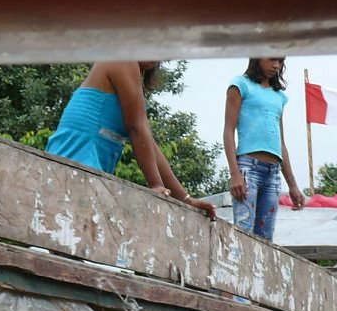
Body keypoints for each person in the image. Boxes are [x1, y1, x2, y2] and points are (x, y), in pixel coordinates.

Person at [46, 61, 216, 218]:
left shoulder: (133, 74)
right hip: (74, 162)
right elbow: (136, 128)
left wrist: (185, 198)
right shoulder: (123, 58)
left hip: (86, 172)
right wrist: (156, 185)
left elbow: (148, 143)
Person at [223, 57, 305, 239]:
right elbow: (228, 131)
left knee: (266, 238)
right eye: (272, 59)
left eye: (281, 61)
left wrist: (292, 185)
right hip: (248, 168)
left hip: (273, 173)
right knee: (244, 231)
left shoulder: (279, 97)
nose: (276, 65)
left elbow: (280, 142)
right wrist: (235, 174)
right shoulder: (240, 85)